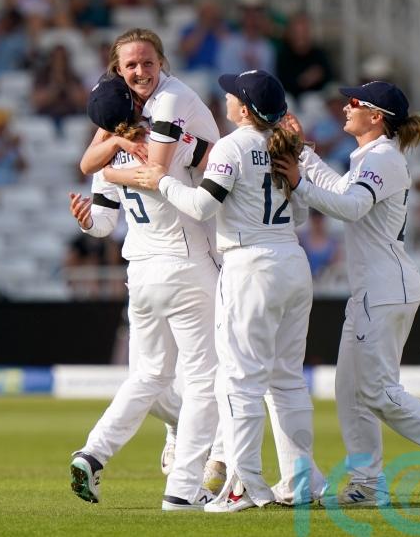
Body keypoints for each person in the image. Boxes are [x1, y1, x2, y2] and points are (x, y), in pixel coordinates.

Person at [273, 81, 420, 508]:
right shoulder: (369, 157)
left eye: (355, 102)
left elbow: (351, 207)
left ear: (377, 116)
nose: (346, 106)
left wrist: (299, 183)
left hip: (386, 287)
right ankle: (367, 483)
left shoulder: (386, 158)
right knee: (349, 390)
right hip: (373, 288)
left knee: (375, 390)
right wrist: (303, 154)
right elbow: (342, 193)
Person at [134, 70, 326, 512]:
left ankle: (244, 486)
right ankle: (300, 484)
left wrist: (160, 181)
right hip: (292, 262)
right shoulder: (283, 145)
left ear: (244, 108)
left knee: (238, 382)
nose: (225, 97)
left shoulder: (232, 146)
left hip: (250, 265)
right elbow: (298, 212)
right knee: (287, 382)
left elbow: (202, 205)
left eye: (232, 94)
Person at [69, 36, 223, 512]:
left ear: (161, 62)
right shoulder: (154, 122)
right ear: (118, 71)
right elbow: (157, 169)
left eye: (147, 62)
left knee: (149, 375)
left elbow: (104, 219)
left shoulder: (140, 124)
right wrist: (116, 157)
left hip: (141, 270)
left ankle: (93, 454)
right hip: (186, 260)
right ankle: (185, 486)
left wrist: (102, 183)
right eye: (131, 65)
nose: (140, 71)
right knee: (204, 379)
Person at [31, 44, 88, 132]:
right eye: (56, 58)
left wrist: (66, 84)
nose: (59, 61)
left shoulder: (73, 76)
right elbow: (37, 101)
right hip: (47, 117)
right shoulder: (42, 76)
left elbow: (81, 101)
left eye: (62, 58)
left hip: (71, 117)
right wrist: (55, 86)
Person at [276, 12, 333, 99]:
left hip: (315, 99)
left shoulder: (319, 54)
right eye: (297, 32)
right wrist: (304, 80)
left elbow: (330, 79)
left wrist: (319, 76)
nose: (300, 36)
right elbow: (282, 82)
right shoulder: (283, 55)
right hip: (290, 99)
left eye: (304, 32)